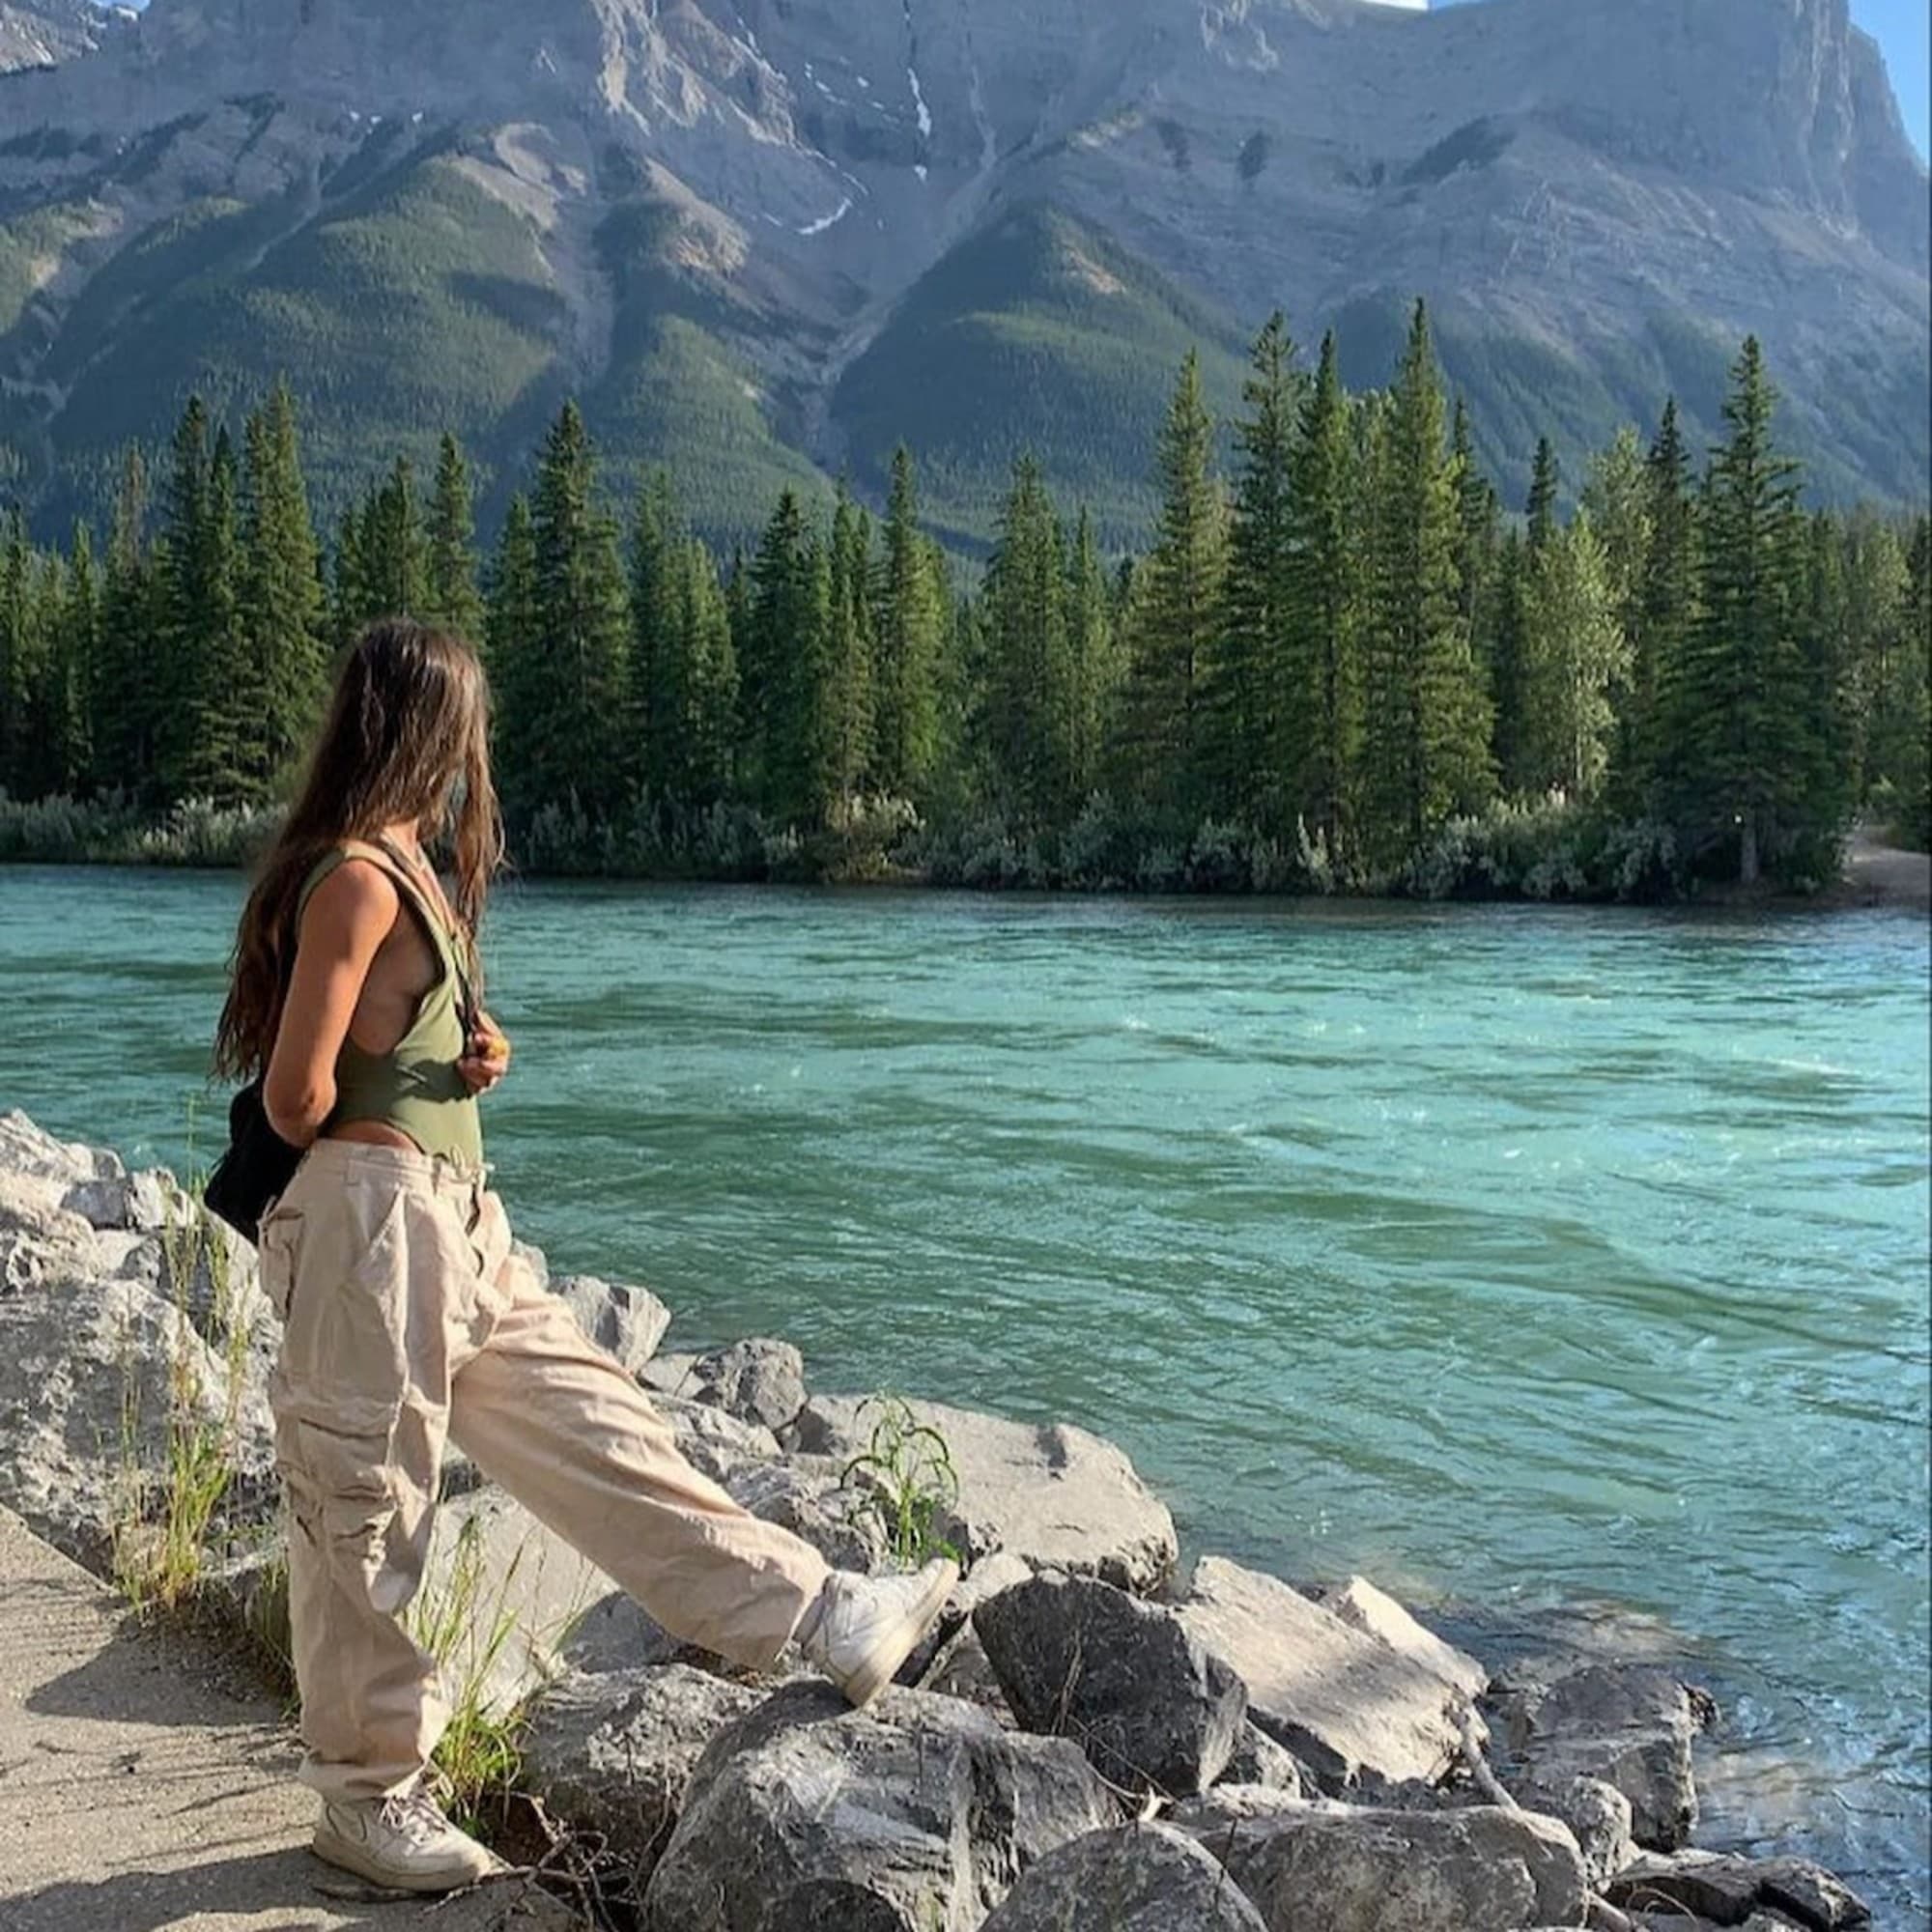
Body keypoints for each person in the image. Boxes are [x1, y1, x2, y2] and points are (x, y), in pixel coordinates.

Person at [214, 618, 955, 1894]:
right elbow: (294, 1093)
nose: (471, 753)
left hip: (448, 1224)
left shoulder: (402, 866)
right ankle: (365, 1803)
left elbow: (390, 1032)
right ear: (425, 730)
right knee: (364, 1512)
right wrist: (391, 1104)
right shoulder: (352, 875)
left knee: (598, 1426)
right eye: (463, 729)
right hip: (375, 1226)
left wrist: (459, 1056)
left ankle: (821, 1613)